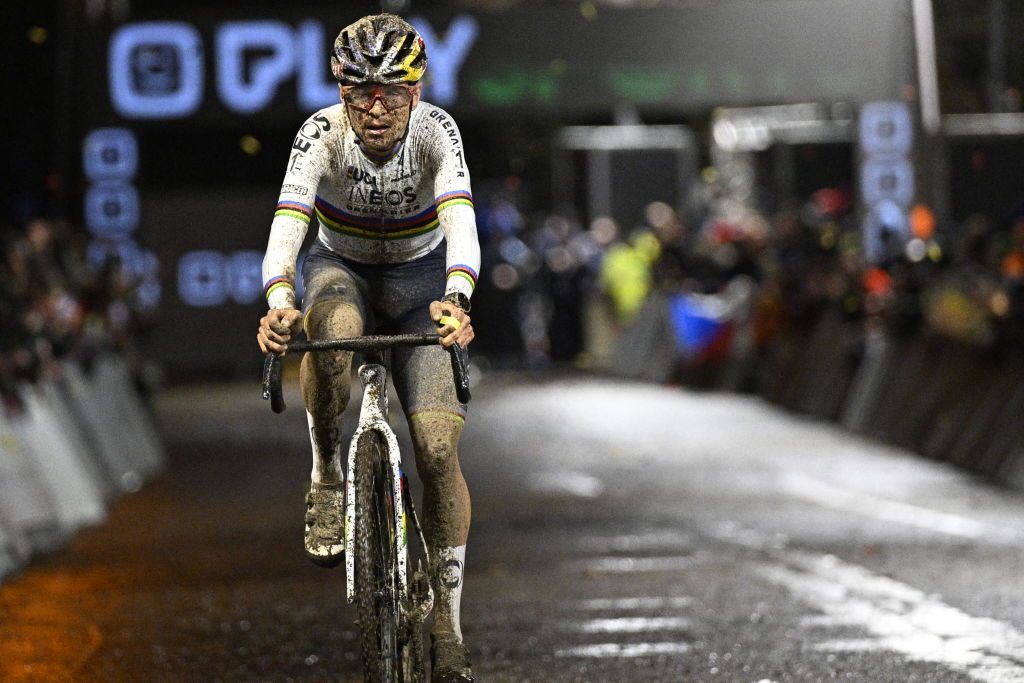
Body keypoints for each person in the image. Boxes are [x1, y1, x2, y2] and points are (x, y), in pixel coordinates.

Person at [255, 13, 478, 682]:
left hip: (419, 280)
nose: (375, 109)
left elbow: (462, 226)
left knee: (437, 447)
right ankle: (327, 466)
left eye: (391, 92)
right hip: (340, 268)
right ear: (340, 91)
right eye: (359, 92)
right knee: (335, 337)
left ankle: (448, 621)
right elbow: (287, 229)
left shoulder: (439, 133)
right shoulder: (319, 135)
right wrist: (277, 303)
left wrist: (459, 301)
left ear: (418, 90)